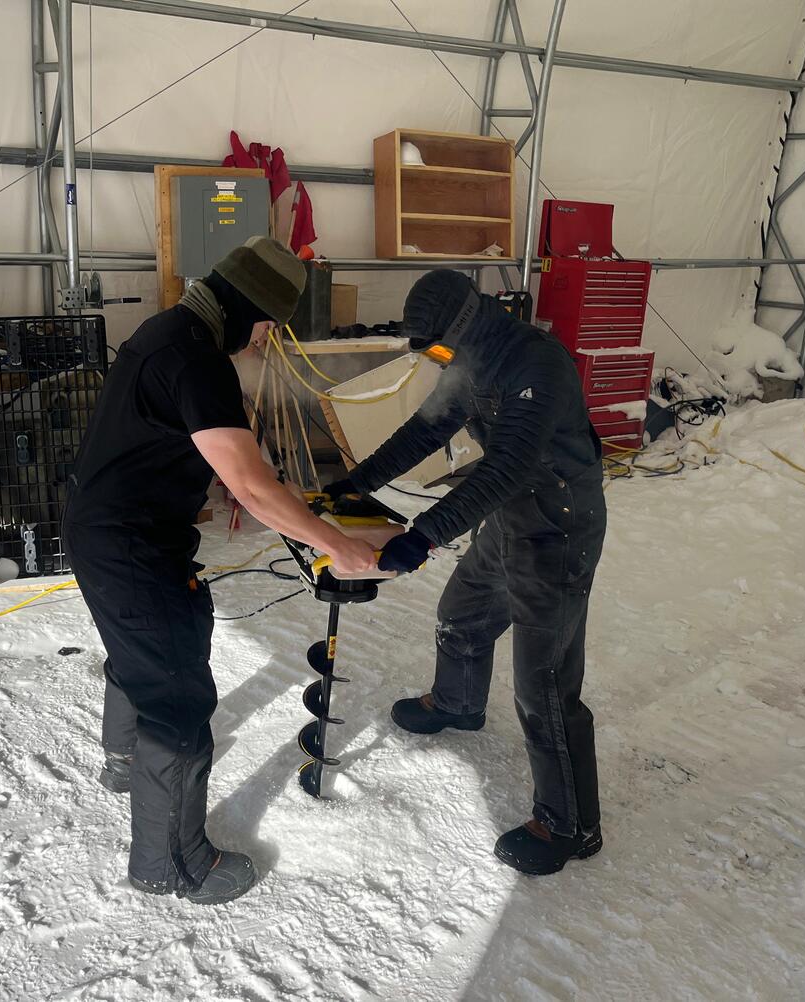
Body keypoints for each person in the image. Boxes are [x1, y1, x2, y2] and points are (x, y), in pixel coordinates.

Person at [63, 236, 377, 906]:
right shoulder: (197, 359)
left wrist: (248, 481)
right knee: (176, 692)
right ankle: (173, 864)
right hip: (132, 545)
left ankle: (125, 762)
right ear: (248, 308)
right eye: (265, 327)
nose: (262, 340)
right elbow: (254, 488)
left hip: (103, 527)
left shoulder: (167, 331)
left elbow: (209, 446)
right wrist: (336, 544)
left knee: (141, 652)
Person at [325, 269, 607, 876]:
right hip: (509, 515)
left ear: (466, 326)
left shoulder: (536, 364)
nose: (439, 362)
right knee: (463, 613)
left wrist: (422, 535)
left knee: (543, 682)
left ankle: (571, 825)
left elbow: (506, 466)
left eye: (439, 351)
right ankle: (457, 703)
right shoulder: (471, 360)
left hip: (558, 527)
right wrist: (356, 484)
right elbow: (427, 429)